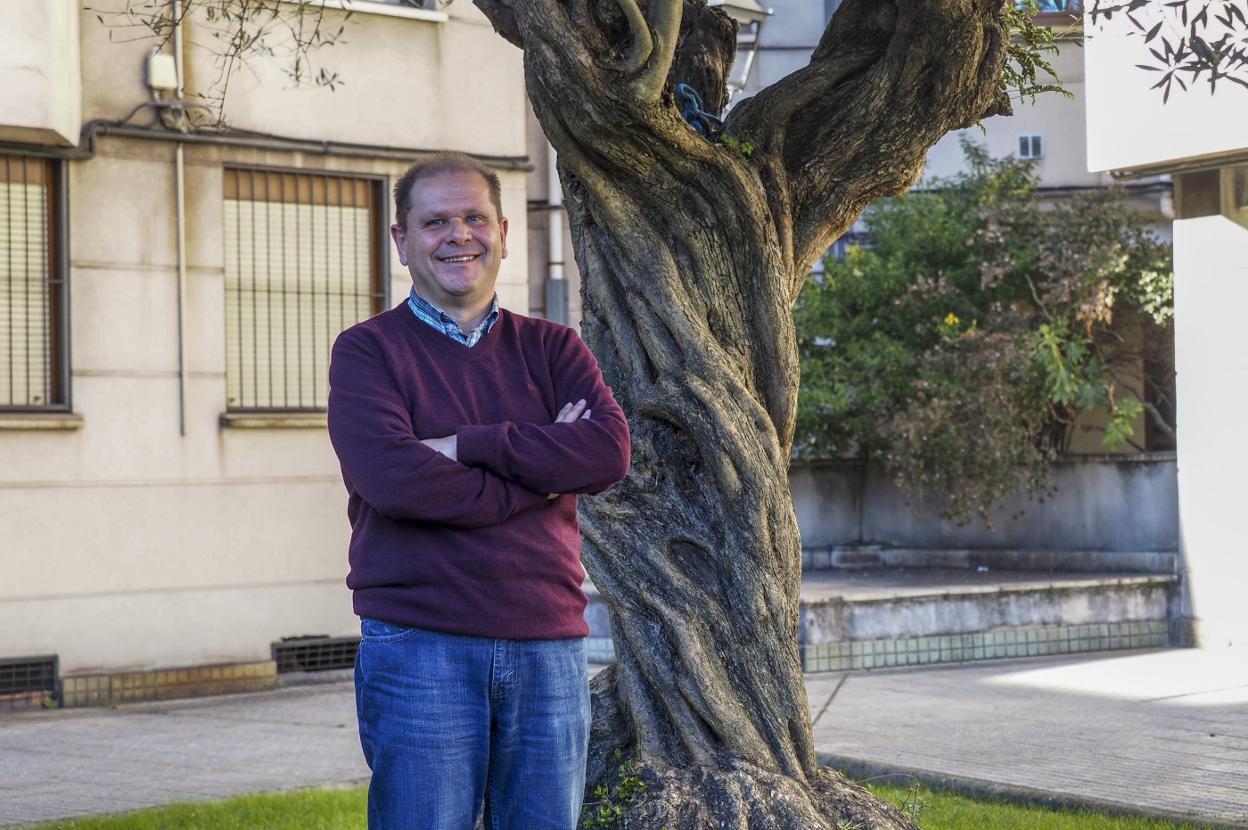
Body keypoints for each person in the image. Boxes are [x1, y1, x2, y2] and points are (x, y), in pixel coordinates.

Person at [327, 152, 631, 830]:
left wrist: (470, 446)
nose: (458, 236)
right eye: (435, 222)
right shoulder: (367, 352)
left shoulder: (555, 350)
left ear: (502, 230)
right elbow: (394, 482)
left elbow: (607, 453)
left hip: (547, 643)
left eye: (473, 218)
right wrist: (542, 471)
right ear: (402, 241)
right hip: (419, 644)